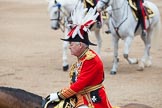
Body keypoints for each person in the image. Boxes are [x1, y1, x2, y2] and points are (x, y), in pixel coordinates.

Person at [43, 4, 112, 108]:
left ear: (80, 45)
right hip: (80, 96)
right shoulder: (81, 58)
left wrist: (59, 95)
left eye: (71, 44)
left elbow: (79, 84)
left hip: (92, 99)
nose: (69, 47)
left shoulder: (90, 59)